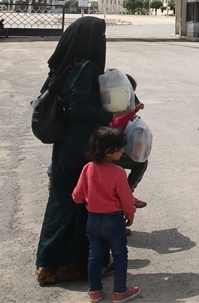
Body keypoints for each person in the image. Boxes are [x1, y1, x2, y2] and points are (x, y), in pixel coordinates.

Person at [36, 17, 114, 286]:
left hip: (66, 143)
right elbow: (78, 106)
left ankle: (51, 264)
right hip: (79, 145)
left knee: (63, 202)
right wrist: (108, 115)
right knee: (79, 204)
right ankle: (75, 265)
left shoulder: (66, 63)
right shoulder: (86, 67)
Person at [72, 127, 140, 302]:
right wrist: (130, 214)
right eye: (120, 148)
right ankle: (120, 291)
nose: (123, 151)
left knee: (94, 254)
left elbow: (77, 196)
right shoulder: (118, 173)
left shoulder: (87, 168)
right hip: (114, 220)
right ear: (109, 151)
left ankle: (94, 291)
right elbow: (127, 199)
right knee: (119, 254)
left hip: (93, 219)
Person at [109, 75, 149, 215]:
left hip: (109, 147)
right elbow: (115, 124)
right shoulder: (109, 100)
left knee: (140, 161)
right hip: (105, 151)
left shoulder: (109, 94)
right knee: (140, 163)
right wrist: (134, 109)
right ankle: (125, 196)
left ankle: (126, 195)